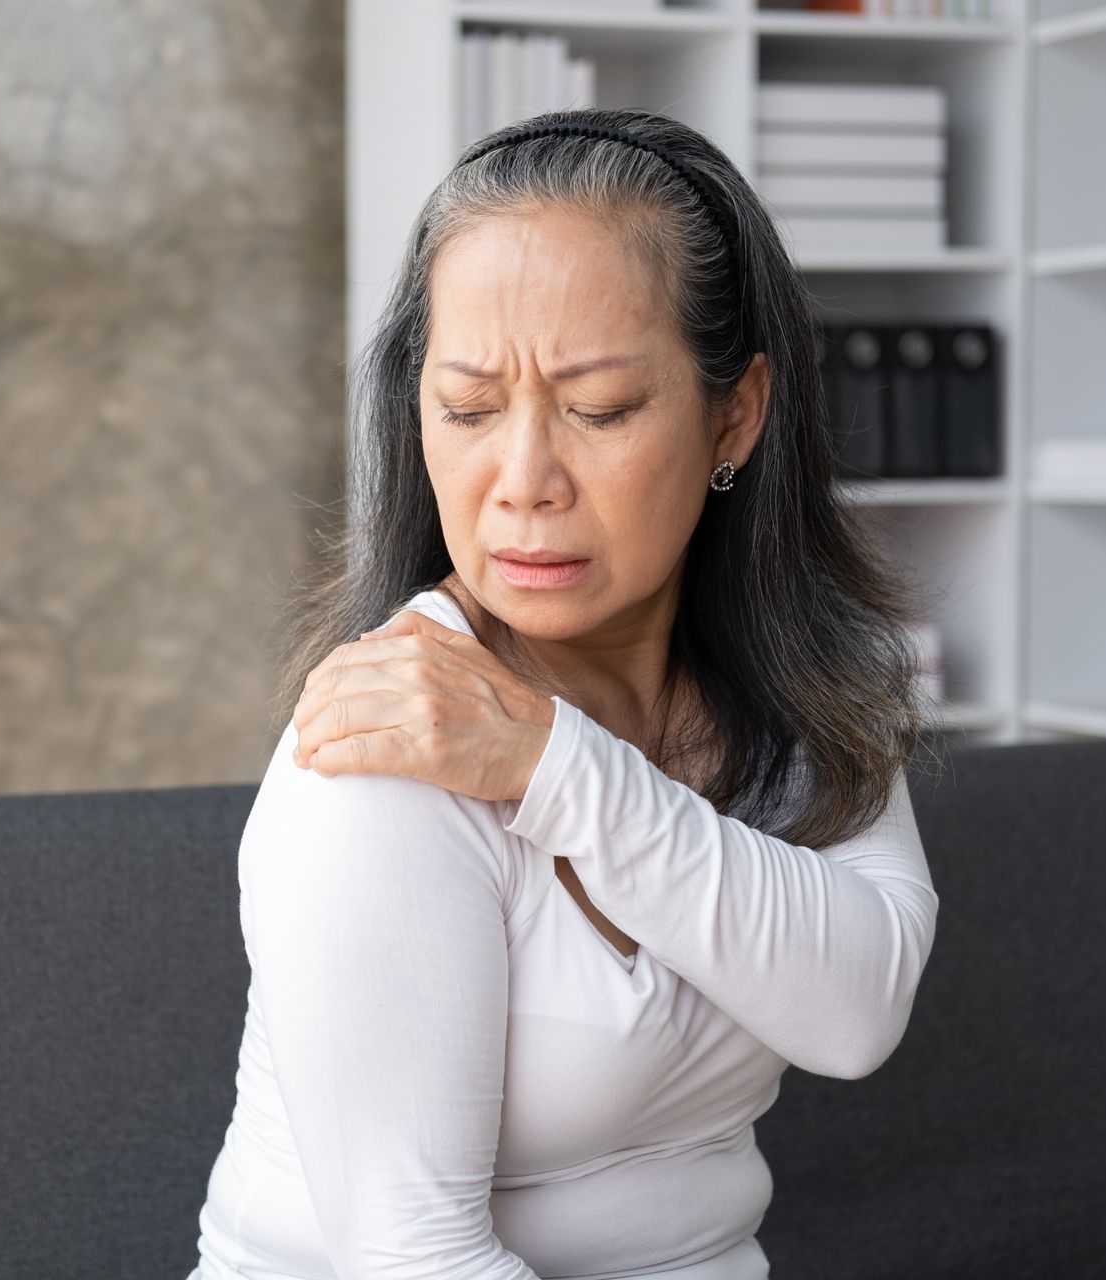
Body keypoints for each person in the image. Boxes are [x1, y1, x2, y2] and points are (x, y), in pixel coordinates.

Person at [186, 106, 944, 1279]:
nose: (523, 482)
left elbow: (857, 1008)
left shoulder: (808, 686)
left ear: (732, 414)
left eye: (598, 409)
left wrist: (558, 767)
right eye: (470, 408)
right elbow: (413, 1256)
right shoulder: (385, 741)